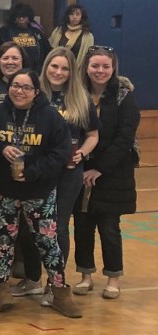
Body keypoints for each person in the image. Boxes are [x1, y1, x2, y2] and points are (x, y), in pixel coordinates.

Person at [0, 69, 80, 318]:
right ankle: (2, 289)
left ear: (36, 92)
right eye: (15, 85)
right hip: (3, 188)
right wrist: (1, 148)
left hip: (39, 190)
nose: (19, 91)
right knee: (4, 241)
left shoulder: (49, 116)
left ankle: (60, 292)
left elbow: (60, 153)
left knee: (48, 243)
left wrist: (33, 171)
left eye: (26, 87)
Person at [15, 47, 101, 302]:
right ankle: (32, 279)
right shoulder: (33, 93)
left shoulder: (80, 98)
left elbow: (93, 135)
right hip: (38, 171)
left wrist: (82, 154)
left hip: (68, 173)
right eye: (54, 66)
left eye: (64, 68)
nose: (59, 72)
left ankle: (56, 285)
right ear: (46, 67)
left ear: (71, 72)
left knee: (57, 229)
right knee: (29, 228)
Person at [73, 46, 138, 300]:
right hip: (80, 171)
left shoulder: (124, 95)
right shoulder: (77, 93)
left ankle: (113, 277)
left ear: (113, 69)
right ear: (86, 68)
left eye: (105, 66)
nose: (100, 71)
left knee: (110, 228)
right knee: (82, 226)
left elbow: (125, 138)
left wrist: (100, 168)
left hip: (113, 173)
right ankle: (85, 276)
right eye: (95, 66)